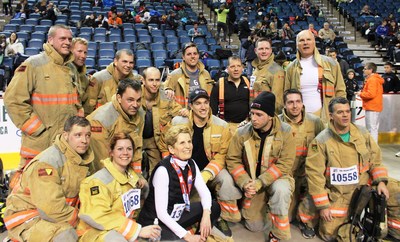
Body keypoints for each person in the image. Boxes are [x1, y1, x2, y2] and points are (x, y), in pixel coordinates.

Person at [297, 97, 389, 241]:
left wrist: (381, 182)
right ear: (331, 116)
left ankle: (391, 230)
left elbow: (376, 160)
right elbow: (315, 176)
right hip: (337, 193)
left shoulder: (363, 133)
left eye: (347, 111)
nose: (345, 115)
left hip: (363, 187)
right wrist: (323, 206)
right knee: (330, 235)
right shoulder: (321, 141)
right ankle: (307, 221)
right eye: (340, 112)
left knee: (396, 193)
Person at [161, 89, 239, 236]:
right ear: (190, 105)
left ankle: (223, 217)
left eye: (205, 102)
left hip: (210, 168)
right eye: (198, 103)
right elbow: (166, 144)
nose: (203, 107)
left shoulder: (221, 125)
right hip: (186, 168)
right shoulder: (179, 122)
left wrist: (207, 173)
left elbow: (222, 155)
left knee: (226, 180)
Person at [4, 116, 95, 241]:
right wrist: (83, 221)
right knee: (66, 236)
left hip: (58, 214)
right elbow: (51, 208)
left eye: (88, 135)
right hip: (31, 217)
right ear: (66, 135)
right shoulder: (47, 163)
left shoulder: (85, 158)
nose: (84, 140)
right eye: (78, 135)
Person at [4, 24, 81, 168]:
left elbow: (76, 102)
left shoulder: (71, 68)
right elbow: (13, 99)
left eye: (70, 39)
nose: (67, 42)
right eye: (62, 38)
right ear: (50, 40)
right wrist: (37, 130)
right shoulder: (33, 64)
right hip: (39, 146)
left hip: (66, 146)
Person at [226, 92, 296, 241]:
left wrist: (260, 182)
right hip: (251, 181)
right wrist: (245, 183)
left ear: (270, 116)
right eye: (252, 114)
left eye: (259, 114)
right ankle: (262, 206)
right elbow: (233, 160)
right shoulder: (242, 132)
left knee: (281, 190)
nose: (253, 119)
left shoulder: (286, 131)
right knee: (254, 226)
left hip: (277, 178)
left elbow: (285, 164)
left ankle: (277, 234)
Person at [138, 125, 221, 241]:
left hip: (176, 215)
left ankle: (200, 238)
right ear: (171, 149)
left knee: (214, 207)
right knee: (181, 240)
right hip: (156, 222)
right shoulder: (163, 170)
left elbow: (205, 192)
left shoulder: (191, 163)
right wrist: (187, 236)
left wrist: (206, 214)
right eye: (182, 143)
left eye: (189, 141)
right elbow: (162, 213)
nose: (188, 146)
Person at [77, 132, 161, 241]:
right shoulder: (97, 181)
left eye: (129, 149)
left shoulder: (133, 178)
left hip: (120, 229)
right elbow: (98, 215)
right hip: (97, 233)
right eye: (120, 149)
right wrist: (138, 230)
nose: (125, 153)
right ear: (111, 152)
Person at [277, 89, 324, 223]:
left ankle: (307, 223)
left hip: (307, 174)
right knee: (288, 218)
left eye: (298, 101)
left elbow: (324, 145)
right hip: (285, 174)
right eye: (290, 102)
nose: (295, 106)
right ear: (284, 105)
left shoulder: (315, 122)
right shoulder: (277, 123)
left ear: (303, 103)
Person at [285, 30, 346, 124]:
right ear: (297, 45)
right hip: (299, 119)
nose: (305, 43)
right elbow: (286, 96)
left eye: (308, 39)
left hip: (325, 118)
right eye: (301, 40)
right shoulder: (290, 68)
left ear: (314, 42)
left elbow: (340, 90)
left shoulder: (331, 63)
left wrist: (340, 114)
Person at [87, 79, 145, 173]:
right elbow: (101, 162)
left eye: (138, 100)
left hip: (123, 166)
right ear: (119, 98)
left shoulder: (140, 113)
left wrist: (137, 175)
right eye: (130, 100)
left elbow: (137, 146)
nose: (135, 105)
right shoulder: (101, 120)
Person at [141, 67, 188, 175]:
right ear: (143, 81)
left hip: (154, 140)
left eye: (157, 80)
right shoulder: (135, 94)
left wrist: (184, 111)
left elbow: (178, 109)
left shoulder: (165, 96)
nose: (154, 84)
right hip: (136, 139)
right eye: (151, 80)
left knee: (157, 171)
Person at [86, 49, 142, 114]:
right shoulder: (99, 78)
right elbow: (89, 106)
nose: (128, 65)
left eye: (131, 62)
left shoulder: (135, 80)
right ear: (115, 61)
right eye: (124, 61)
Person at [164, 42, 214, 108]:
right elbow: (164, 93)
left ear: (198, 56)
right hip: (182, 114)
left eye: (195, 53)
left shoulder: (206, 74)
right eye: (189, 54)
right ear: (183, 57)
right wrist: (167, 91)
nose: (193, 56)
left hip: (203, 113)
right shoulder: (174, 75)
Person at [210, 56, 250, 133]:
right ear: (227, 69)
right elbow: (212, 111)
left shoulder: (248, 82)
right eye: (232, 66)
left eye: (238, 66)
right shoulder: (219, 85)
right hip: (226, 127)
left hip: (246, 126)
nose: (236, 69)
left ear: (242, 68)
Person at [251, 38, 286, 115]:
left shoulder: (276, 70)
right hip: (255, 115)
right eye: (261, 49)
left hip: (267, 118)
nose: (264, 51)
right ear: (255, 51)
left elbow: (278, 101)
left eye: (267, 48)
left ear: (271, 50)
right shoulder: (256, 70)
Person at [359, 62, 384, 143]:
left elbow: (371, 94)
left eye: (365, 69)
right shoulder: (374, 79)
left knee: (371, 128)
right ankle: (373, 147)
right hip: (375, 106)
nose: (363, 70)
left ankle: (373, 148)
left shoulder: (372, 80)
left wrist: (360, 94)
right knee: (373, 128)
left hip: (372, 107)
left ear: (371, 70)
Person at [70, 37, 91, 116]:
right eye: (79, 51)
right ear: (70, 51)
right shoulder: (64, 73)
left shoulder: (85, 79)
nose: (83, 56)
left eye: (85, 52)